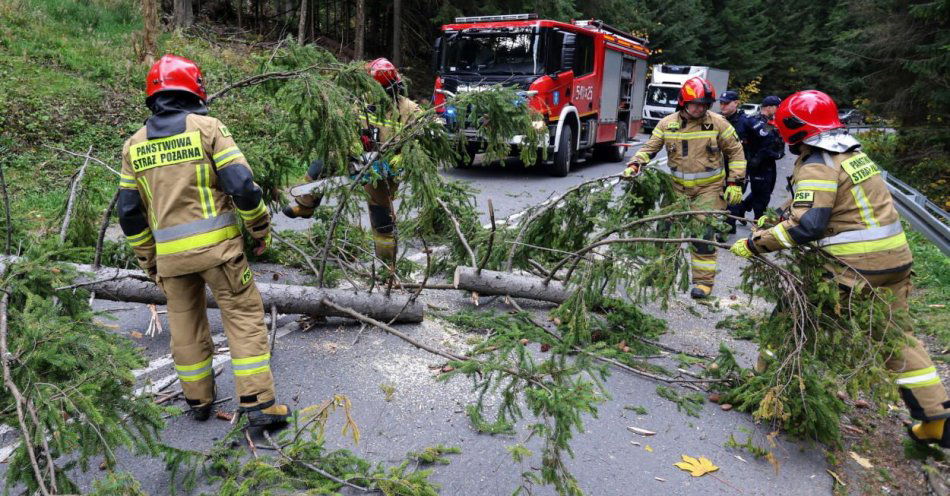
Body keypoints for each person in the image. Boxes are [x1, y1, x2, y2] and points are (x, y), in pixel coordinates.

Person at [730, 90, 949, 447]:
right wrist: (780, 214)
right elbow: (826, 202)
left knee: (789, 317)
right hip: (893, 262)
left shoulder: (817, 160)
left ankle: (765, 386)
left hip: (852, 269)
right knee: (897, 338)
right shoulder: (849, 153)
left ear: (793, 127)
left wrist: (757, 244)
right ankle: (936, 419)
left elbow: (809, 225)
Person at [118, 54, 290, 427]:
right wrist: (260, 230)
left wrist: (150, 261)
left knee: (184, 324)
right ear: (194, 90)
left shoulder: (134, 146)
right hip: (220, 254)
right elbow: (242, 187)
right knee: (243, 316)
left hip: (171, 262)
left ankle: (198, 400)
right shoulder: (208, 128)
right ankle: (258, 403)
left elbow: (129, 214)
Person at [284, 58, 420, 268]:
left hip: (385, 169)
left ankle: (387, 266)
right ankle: (305, 205)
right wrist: (349, 147)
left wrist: (398, 159)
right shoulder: (362, 101)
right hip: (358, 158)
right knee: (322, 162)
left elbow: (425, 137)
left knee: (382, 220)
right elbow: (341, 123)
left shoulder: (408, 109)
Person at [625, 77, 746, 299]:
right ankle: (662, 272)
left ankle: (703, 283)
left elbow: (736, 153)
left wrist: (735, 182)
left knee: (702, 234)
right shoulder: (667, 123)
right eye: (696, 104)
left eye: (704, 104)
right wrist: (635, 164)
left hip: (708, 189)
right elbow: (650, 148)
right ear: (683, 103)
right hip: (676, 189)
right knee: (664, 232)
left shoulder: (718, 123)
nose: (700, 108)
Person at [735, 95, 785, 224]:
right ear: (769, 107)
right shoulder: (756, 121)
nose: (779, 110)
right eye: (778, 107)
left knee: (766, 190)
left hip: (769, 161)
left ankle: (743, 207)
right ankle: (759, 223)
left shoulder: (769, 120)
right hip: (759, 162)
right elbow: (763, 137)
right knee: (762, 195)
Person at [718, 90, 755, 233]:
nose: (723, 106)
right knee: (720, 196)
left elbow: (763, 140)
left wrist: (755, 159)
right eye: (721, 103)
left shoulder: (746, 122)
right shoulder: (719, 120)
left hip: (739, 166)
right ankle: (728, 222)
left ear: (736, 103)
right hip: (721, 165)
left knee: (732, 195)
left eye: (726, 104)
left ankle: (728, 227)